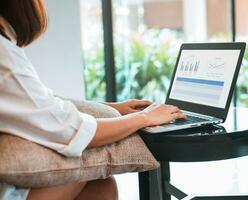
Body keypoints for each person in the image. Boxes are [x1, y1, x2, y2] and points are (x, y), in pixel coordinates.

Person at [0, 0, 186, 200]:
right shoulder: (4, 56)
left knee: (101, 187)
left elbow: (42, 105)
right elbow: (72, 130)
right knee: (95, 179)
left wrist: (112, 108)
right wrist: (144, 118)